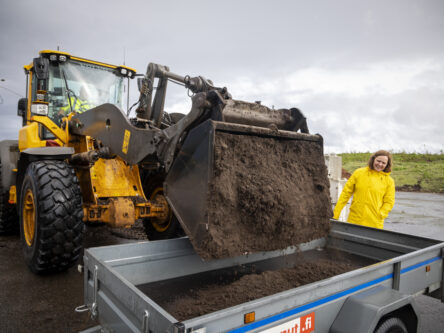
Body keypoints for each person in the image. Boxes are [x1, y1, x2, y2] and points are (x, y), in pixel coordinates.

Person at [333, 150, 395, 229]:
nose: (380, 164)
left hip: (374, 223)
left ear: (387, 165)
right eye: (378, 161)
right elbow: (345, 194)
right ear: (373, 159)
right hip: (355, 220)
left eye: (383, 163)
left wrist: (381, 214)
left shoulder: (389, 181)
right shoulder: (359, 173)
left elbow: (389, 202)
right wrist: (336, 214)